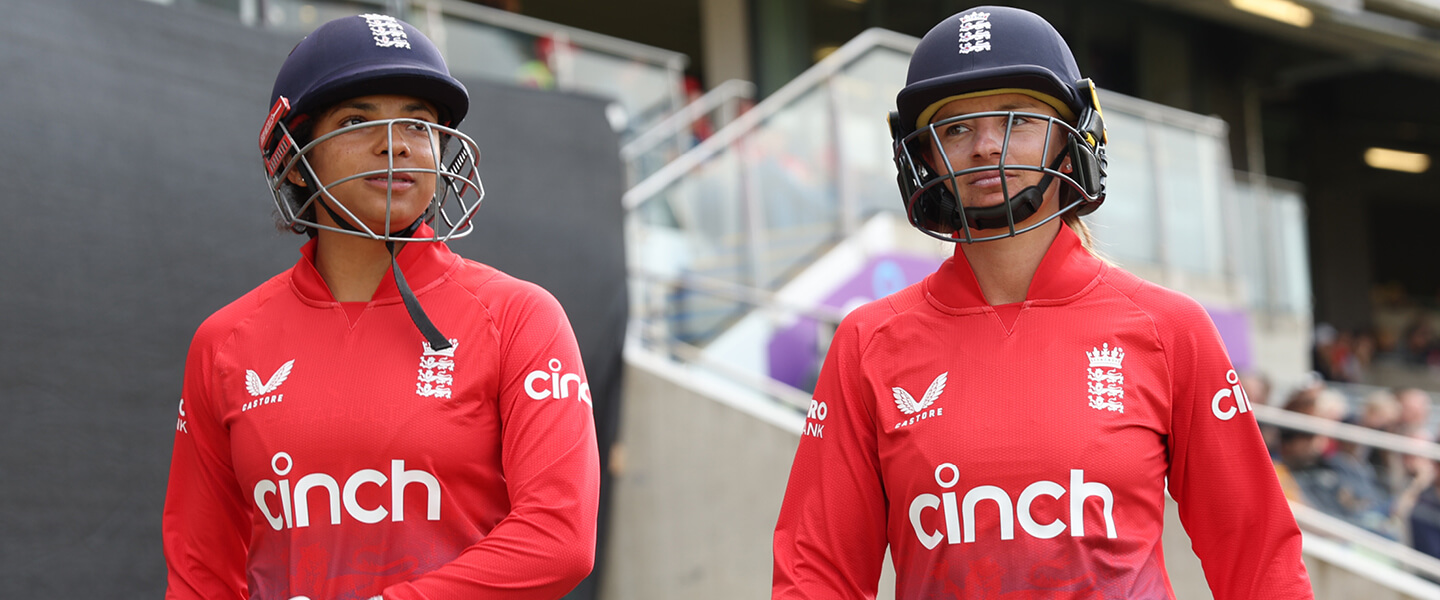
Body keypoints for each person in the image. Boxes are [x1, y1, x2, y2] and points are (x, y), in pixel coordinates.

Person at [771, 7, 1312, 598]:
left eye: (1017, 120)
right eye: (955, 128)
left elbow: (1258, 554)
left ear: (1070, 136)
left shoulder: (1168, 328)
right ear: (924, 157)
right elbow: (815, 573)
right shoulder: (869, 341)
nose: (985, 146)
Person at [162, 14, 599, 600]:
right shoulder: (224, 342)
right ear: (293, 158)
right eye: (355, 119)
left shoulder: (520, 316)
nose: (394, 142)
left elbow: (559, 538)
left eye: (418, 123)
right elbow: (200, 574)